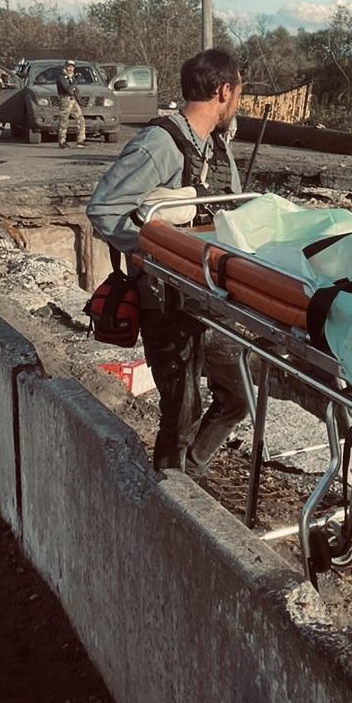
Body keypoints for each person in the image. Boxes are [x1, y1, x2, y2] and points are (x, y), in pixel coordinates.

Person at [86, 48, 250, 478]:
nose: (238, 105)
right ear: (224, 90)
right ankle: (169, 496)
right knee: (180, 414)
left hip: (211, 299)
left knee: (237, 398)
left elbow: (229, 212)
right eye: (238, 94)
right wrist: (149, 251)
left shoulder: (217, 148)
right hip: (165, 303)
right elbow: (104, 209)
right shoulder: (160, 145)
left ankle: (188, 476)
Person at [56, 59, 86, 148]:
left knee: (81, 119)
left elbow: (74, 90)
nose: (71, 69)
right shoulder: (61, 77)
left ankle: (80, 140)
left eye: (72, 67)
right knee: (64, 121)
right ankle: (62, 141)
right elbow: (68, 89)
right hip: (65, 101)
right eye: (69, 67)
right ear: (65, 67)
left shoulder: (72, 77)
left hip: (73, 101)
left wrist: (79, 100)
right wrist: (77, 80)